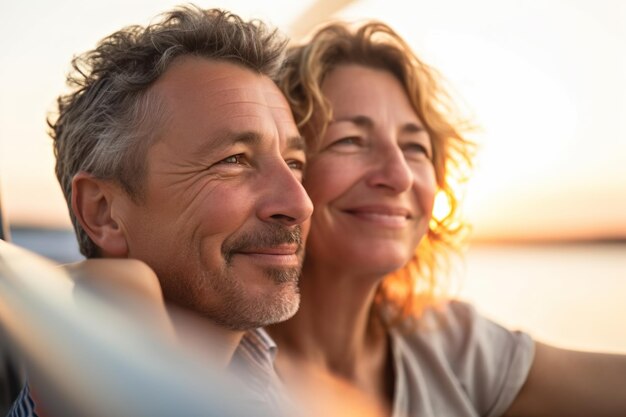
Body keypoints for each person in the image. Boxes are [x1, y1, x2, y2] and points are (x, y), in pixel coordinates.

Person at [267, 21, 626, 416]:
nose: (399, 174)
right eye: (350, 140)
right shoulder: (216, 365)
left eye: (415, 147)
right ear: (288, 168)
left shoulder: (447, 343)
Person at [7, 5, 313, 416]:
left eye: (294, 163)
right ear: (103, 212)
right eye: (234, 160)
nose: (299, 203)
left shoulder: (273, 382)